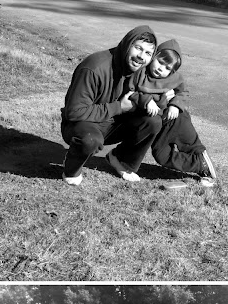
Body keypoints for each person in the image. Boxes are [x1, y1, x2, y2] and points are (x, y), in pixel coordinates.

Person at [60, 25, 162, 185]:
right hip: (82, 125)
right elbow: (73, 112)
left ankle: (121, 160)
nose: (141, 57)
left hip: (112, 124)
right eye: (138, 48)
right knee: (90, 140)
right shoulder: (94, 67)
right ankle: (72, 170)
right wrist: (118, 107)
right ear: (127, 44)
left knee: (153, 121)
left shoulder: (139, 70)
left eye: (148, 53)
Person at [126, 38, 216, 186]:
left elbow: (183, 92)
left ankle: (201, 162)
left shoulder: (174, 79)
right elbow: (132, 92)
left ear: (172, 71)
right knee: (161, 156)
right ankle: (200, 164)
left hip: (176, 117)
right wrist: (147, 100)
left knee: (191, 145)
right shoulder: (141, 74)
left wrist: (175, 105)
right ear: (153, 56)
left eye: (167, 68)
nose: (161, 69)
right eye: (160, 62)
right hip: (157, 123)